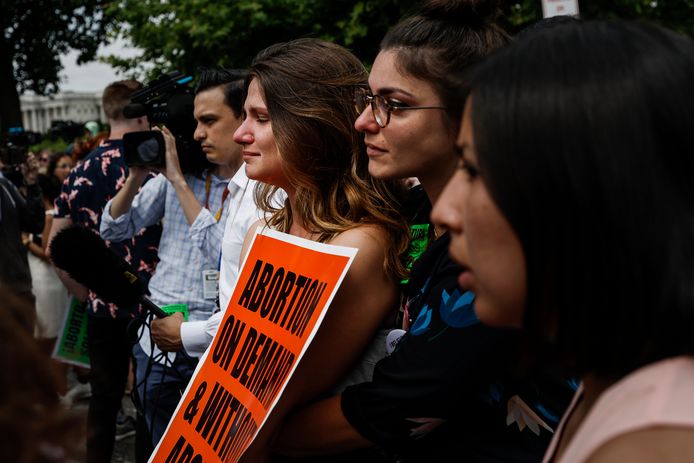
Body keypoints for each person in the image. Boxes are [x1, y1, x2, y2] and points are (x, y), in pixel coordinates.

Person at [269, 2, 573, 462]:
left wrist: (258, 438)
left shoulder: (501, 242)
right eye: (368, 101)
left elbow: (402, 403)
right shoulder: (409, 212)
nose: (364, 122)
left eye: (395, 105)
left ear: (472, 114)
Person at [432, 19, 694, 463]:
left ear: (586, 197)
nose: (445, 211)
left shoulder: (654, 443)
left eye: (473, 171)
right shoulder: (615, 376)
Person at [231, 37, 411, 462]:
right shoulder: (263, 230)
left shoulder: (359, 246)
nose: (240, 134)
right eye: (244, 116)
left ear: (314, 127)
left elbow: (273, 397)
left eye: (261, 117)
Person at [99, 69, 250, 450]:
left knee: (209, 443)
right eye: (196, 124)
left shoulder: (250, 186)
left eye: (209, 122)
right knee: (158, 437)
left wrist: (178, 180)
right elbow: (113, 229)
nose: (199, 135)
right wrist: (136, 176)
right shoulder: (170, 180)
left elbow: (219, 254)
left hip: (209, 335)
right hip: (162, 332)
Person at [47, 79, 162, 463]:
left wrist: (87, 292)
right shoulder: (156, 166)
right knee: (155, 397)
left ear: (106, 113)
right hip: (157, 308)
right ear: (141, 114)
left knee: (103, 400)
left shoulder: (79, 171)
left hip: (103, 306)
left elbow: (55, 246)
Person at [0, 150, 45, 330]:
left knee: (22, 355)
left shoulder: (5, 185)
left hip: (18, 289)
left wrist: (32, 183)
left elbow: (34, 223)